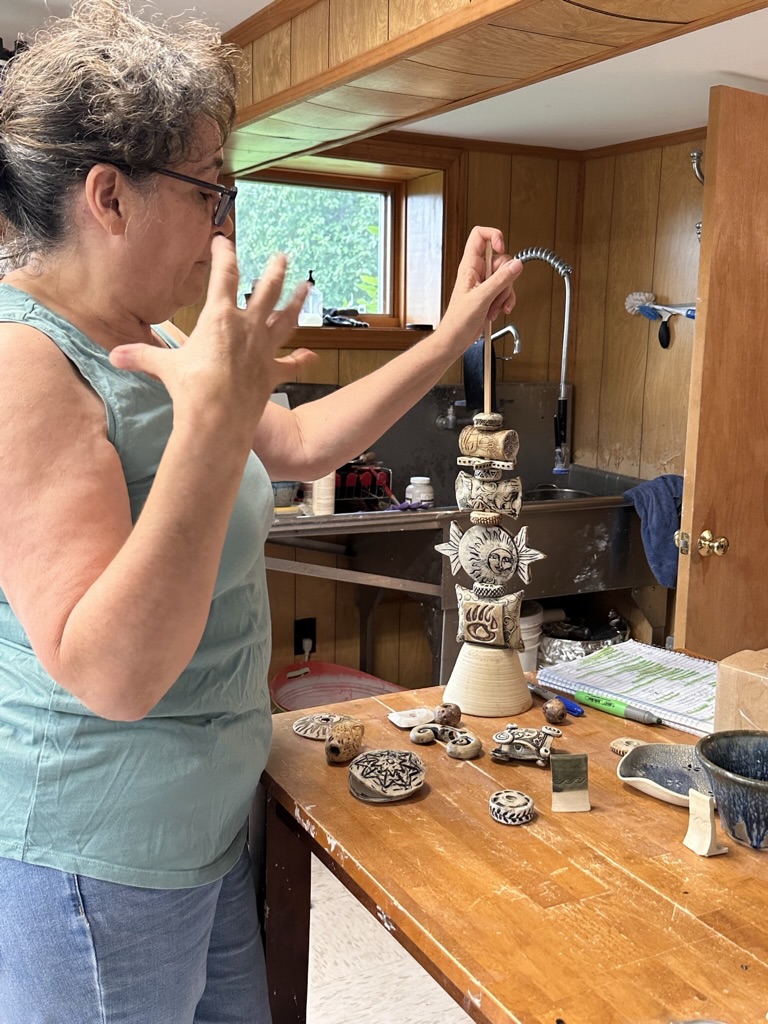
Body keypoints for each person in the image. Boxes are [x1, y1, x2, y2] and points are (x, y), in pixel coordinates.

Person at [0, 1, 522, 1021]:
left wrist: (453, 333)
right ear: (109, 195)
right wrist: (212, 420)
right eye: (209, 190)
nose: (224, 226)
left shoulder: (160, 334)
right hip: (101, 859)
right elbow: (111, 672)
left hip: (207, 823)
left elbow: (300, 443)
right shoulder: (27, 363)